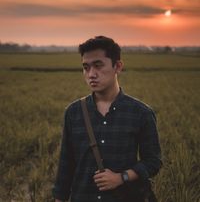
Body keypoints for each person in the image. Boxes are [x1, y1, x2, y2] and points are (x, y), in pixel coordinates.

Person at [52, 36, 162, 202]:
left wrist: (122, 177)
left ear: (117, 66)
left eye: (98, 66)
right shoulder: (73, 113)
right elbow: (66, 166)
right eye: (86, 67)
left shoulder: (141, 113)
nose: (91, 74)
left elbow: (153, 161)